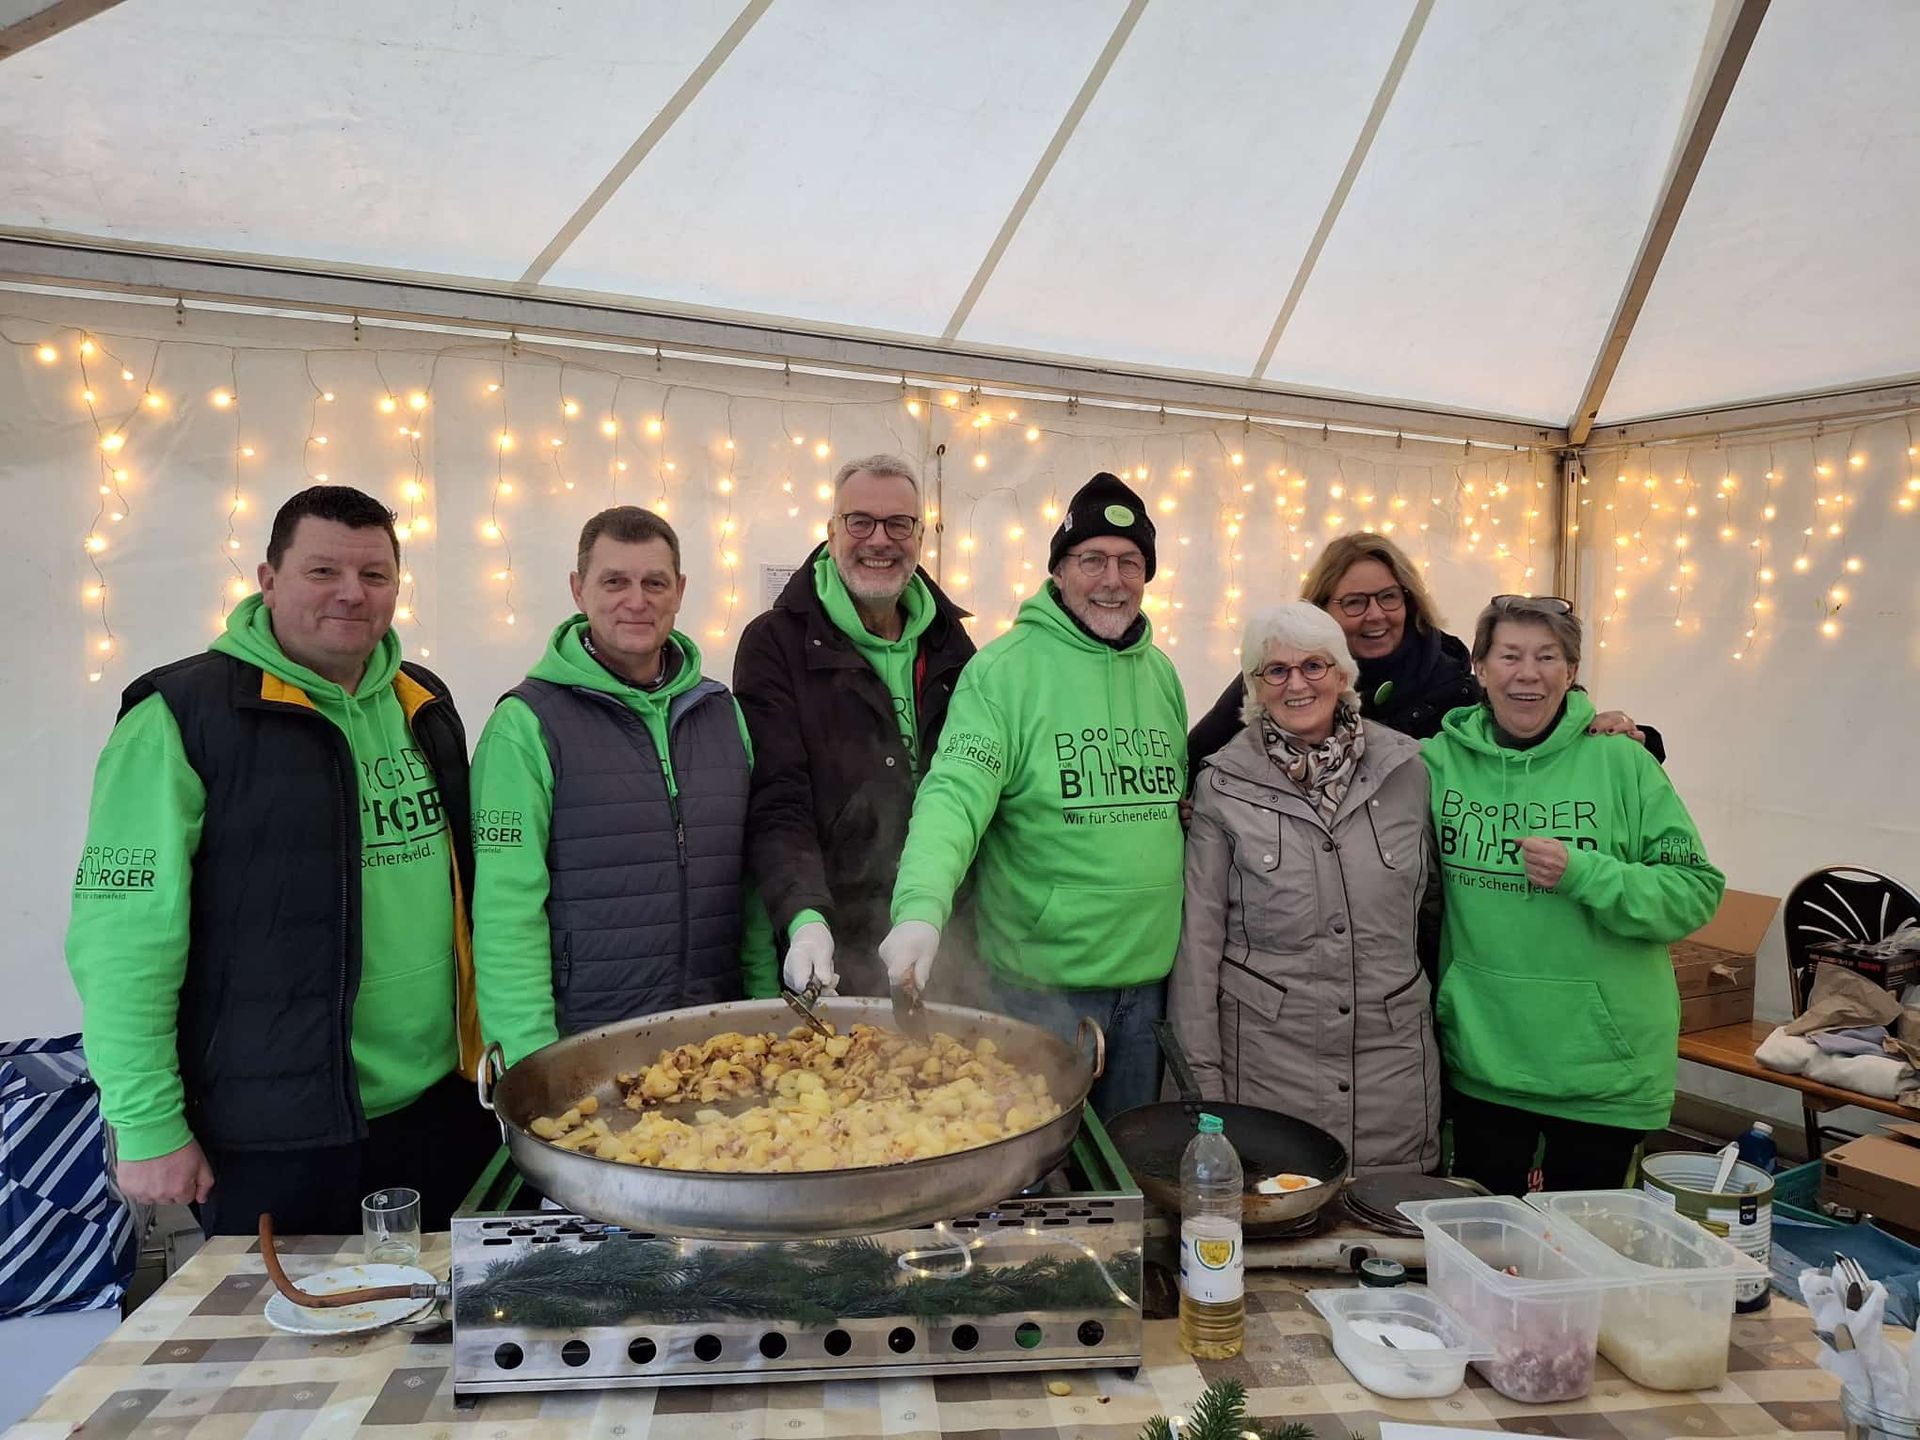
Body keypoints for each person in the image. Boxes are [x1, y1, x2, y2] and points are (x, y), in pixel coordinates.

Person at [65, 485, 492, 1237]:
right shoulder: (181, 716)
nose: (351, 594)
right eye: (323, 571)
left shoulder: (423, 701)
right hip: (274, 1131)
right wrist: (146, 1120)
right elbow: (124, 936)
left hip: (442, 1109)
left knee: (445, 1310)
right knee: (286, 1316)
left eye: (374, 574)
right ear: (268, 580)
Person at [881, 472, 1186, 1116]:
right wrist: (919, 911)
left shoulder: (1162, 675)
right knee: (1042, 1160)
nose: (1112, 579)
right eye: (1092, 559)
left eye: (1130, 563)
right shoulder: (1003, 672)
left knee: (1130, 1159)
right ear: (1059, 570)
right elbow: (953, 797)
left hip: (1150, 993)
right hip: (1041, 993)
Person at [1422, 595, 1724, 1195]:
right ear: (1479, 667)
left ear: (1572, 671)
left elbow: (1694, 893)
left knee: (1586, 1244)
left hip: (1601, 1073)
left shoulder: (1623, 762)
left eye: (1546, 657)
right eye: (1509, 655)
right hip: (1486, 1060)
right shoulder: (1435, 765)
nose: (1527, 674)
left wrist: (1585, 874)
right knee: (1483, 1240)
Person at [471, 506, 769, 1066]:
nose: (637, 601)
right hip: (590, 1054)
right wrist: (532, 1065)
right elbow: (506, 915)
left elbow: (749, 887)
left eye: (654, 582)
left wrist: (764, 1008)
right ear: (578, 589)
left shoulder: (722, 713)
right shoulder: (526, 725)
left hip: (720, 1042)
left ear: (679, 591)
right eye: (614, 582)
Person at [1169, 602, 1440, 1174]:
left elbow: (1440, 909)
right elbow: (1198, 948)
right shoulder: (1222, 784)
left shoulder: (1409, 770)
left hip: (1391, 1078)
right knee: (1279, 1215)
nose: (1296, 684)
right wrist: (1203, 1091)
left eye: (1314, 665)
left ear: (1342, 674)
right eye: (1276, 670)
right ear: (1254, 686)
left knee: (1389, 1221)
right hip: (1268, 1074)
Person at [733, 455, 975, 997]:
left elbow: (969, 786)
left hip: (944, 940)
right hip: (832, 946)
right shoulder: (776, 643)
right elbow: (777, 798)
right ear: (832, 531)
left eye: (899, 524)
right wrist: (804, 920)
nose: (879, 540)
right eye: (860, 522)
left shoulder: (952, 643)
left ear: (920, 536)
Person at [1185, 531, 1663, 764]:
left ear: (1409, 598)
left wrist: (1609, 727)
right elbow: (1203, 751)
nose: (1375, 615)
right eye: (1354, 602)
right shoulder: (1289, 670)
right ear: (1322, 608)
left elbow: (1527, 717)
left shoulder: (1451, 672)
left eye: (1388, 597)